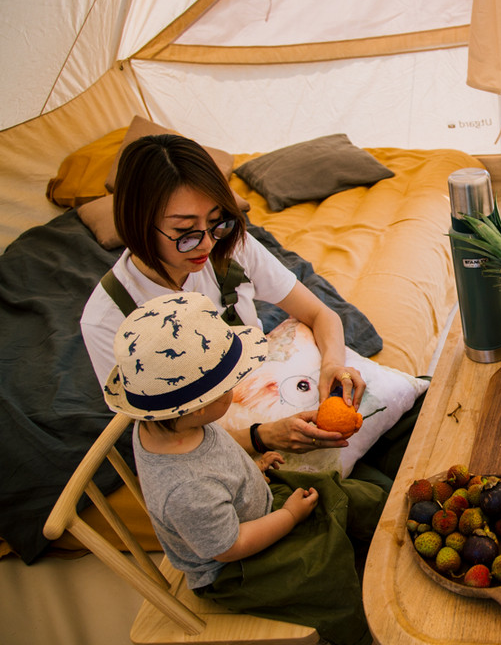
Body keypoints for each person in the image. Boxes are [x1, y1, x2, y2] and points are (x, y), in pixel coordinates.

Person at [103, 292, 381, 645]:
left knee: (350, 496)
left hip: (254, 500)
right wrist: (291, 517)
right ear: (198, 407)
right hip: (236, 565)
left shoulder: (174, 423)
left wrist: (254, 463)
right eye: (228, 386)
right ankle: (362, 633)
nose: (235, 388)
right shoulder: (185, 490)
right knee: (323, 570)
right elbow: (231, 545)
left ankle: (380, 550)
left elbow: (215, 458)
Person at [82, 133, 363, 453]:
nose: (205, 244)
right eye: (184, 232)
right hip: (218, 443)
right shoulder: (109, 319)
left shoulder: (229, 246)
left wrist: (332, 365)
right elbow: (160, 440)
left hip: (272, 389)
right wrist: (262, 437)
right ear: (139, 224)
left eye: (217, 222)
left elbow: (319, 313)